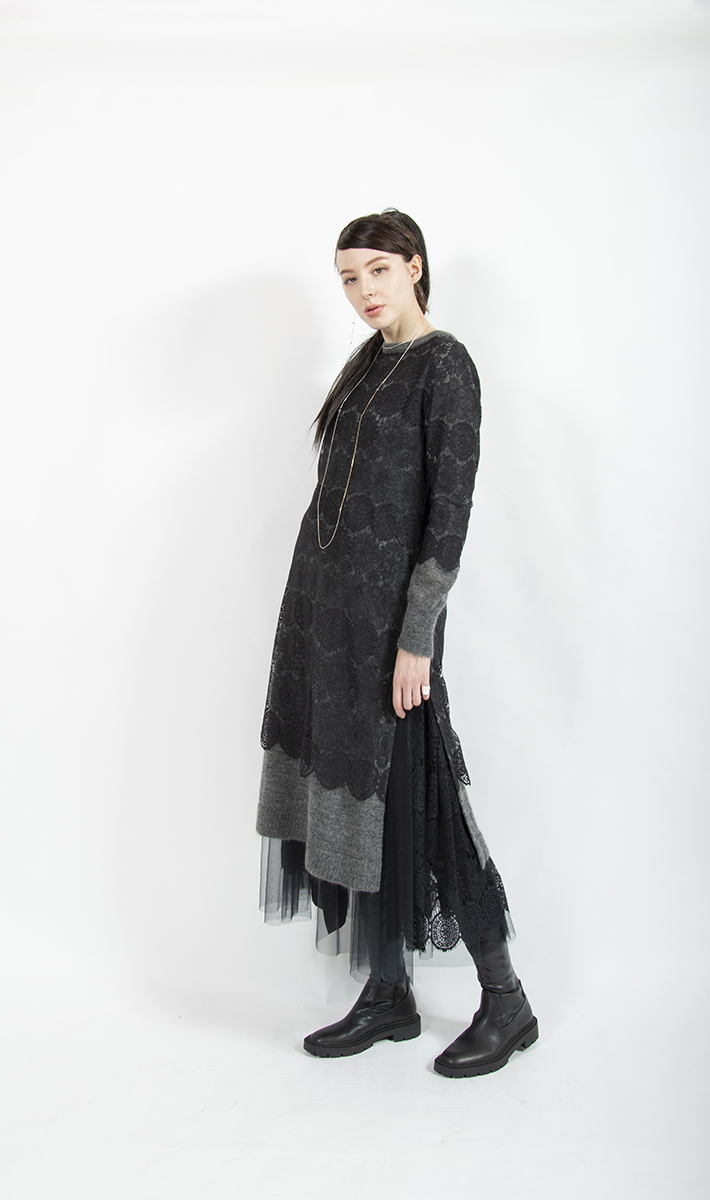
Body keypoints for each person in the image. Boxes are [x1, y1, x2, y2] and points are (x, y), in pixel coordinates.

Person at [256, 209, 538, 1077]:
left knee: (427, 805)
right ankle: (387, 994)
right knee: (361, 814)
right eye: (348, 277)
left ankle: (507, 1001)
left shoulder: (444, 365)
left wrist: (417, 639)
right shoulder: (365, 365)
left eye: (377, 269)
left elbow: (447, 516)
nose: (363, 290)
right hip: (327, 626)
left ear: (415, 266)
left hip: (390, 639)